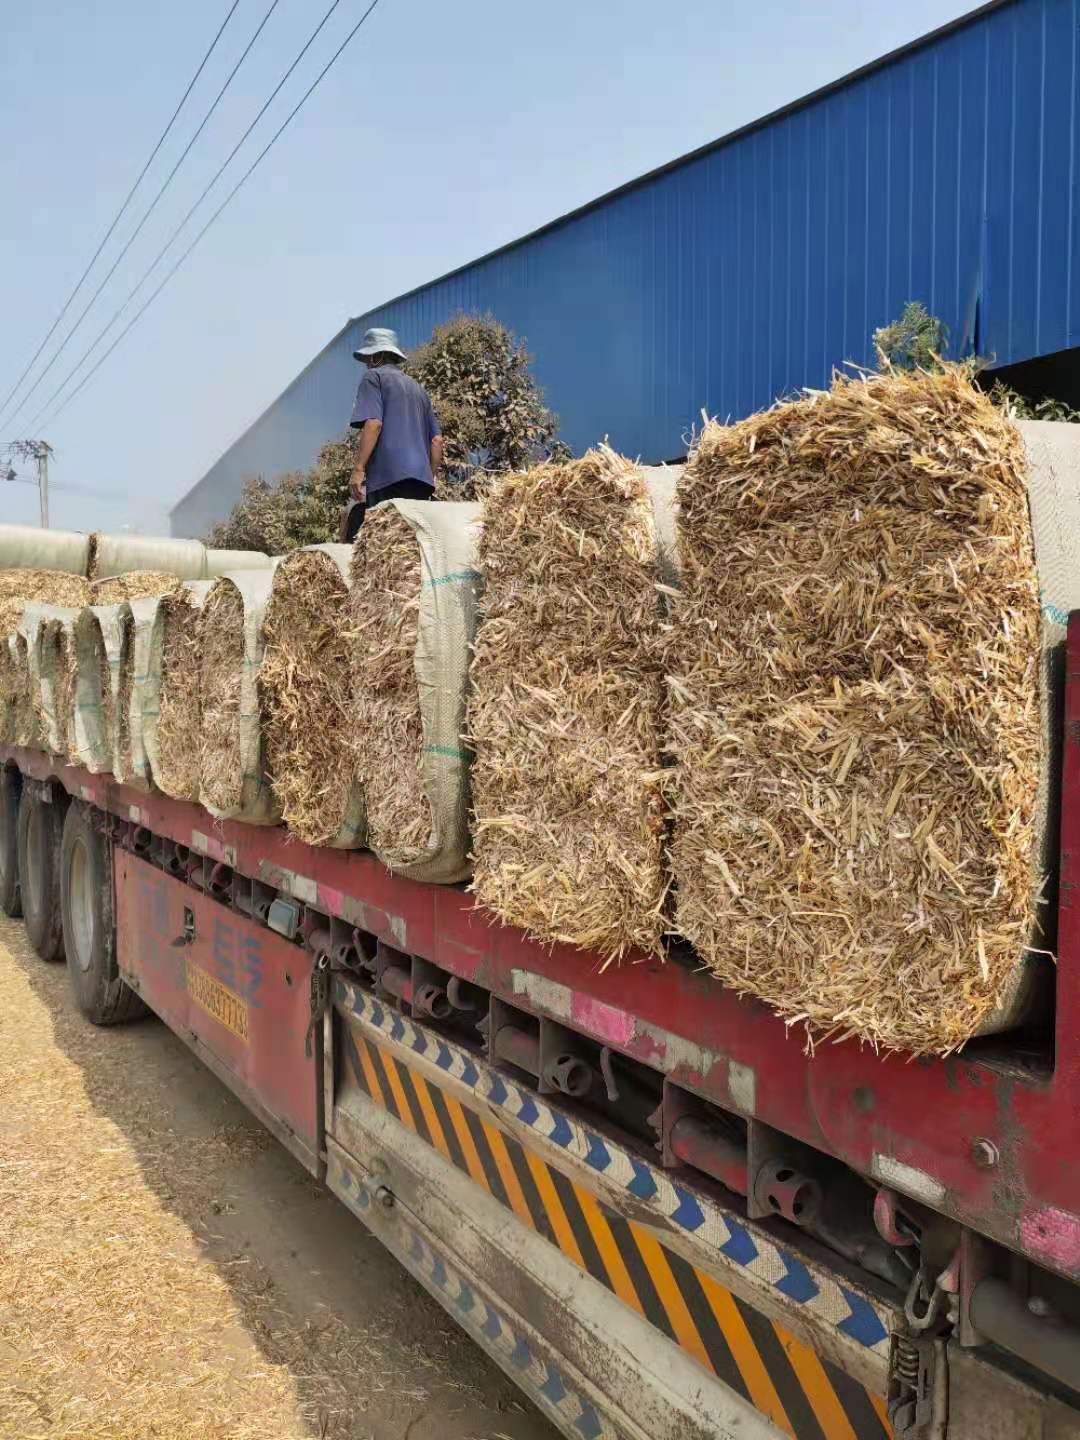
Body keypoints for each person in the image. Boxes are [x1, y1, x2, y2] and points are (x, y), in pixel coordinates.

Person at [340, 327, 444, 542]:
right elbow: (436, 440)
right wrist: (428, 477)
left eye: (369, 358)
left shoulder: (373, 377)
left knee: (385, 546)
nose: (367, 364)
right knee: (411, 546)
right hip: (420, 482)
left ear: (377, 356)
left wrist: (358, 469)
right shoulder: (418, 388)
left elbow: (374, 423)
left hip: (387, 478)